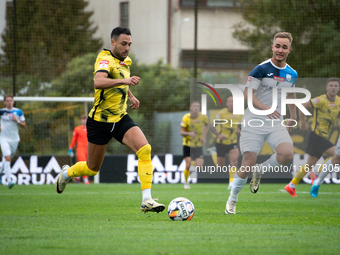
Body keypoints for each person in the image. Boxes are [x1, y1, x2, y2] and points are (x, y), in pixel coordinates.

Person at [55, 27, 165, 213]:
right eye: (123, 44)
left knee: (144, 149)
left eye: (129, 44)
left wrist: (130, 95)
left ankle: (147, 200)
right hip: (100, 122)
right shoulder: (104, 58)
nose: (127, 48)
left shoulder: (125, 61)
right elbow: (99, 81)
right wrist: (125, 82)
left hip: (120, 118)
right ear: (113, 42)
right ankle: (66, 174)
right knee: (92, 169)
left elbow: (121, 78)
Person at [225, 32, 298, 214]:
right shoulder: (261, 69)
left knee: (287, 154)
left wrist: (292, 117)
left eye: (284, 47)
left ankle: (261, 170)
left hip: (276, 122)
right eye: (277, 46)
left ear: (289, 50)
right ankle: (232, 200)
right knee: (247, 163)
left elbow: (291, 95)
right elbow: (247, 95)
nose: (280, 50)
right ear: (272, 47)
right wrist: (266, 108)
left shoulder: (292, 74)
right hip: (254, 122)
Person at [285, 78, 340, 197]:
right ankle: (316, 174)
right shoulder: (320, 100)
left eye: (336, 86)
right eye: (331, 85)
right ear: (327, 88)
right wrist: (303, 123)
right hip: (316, 136)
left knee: (309, 164)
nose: (333, 88)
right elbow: (302, 106)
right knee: (337, 155)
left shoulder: (338, 101)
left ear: (338, 88)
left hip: (322, 137)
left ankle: (292, 185)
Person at [209, 96, 242, 189]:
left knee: (234, 162)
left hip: (233, 142)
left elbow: (236, 126)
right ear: (227, 103)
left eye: (234, 101)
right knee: (220, 166)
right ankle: (213, 153)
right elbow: (212, 126)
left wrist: (238, 131)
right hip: (221, 142)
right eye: (230, 101)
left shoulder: (239, 114)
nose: (232, 103)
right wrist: (218, 135)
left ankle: (231, 183)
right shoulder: (222, 113)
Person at [180, 101, 209, 189]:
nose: (196, 108)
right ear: (190, 108)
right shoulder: (186, 117)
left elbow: (207, 126)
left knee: (199, 165)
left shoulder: (203, 117)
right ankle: (186, 182)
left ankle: (191, 165)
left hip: (198, 145)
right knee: (188, 164)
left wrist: (204, 136)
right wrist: (189, 133)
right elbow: (181, 132)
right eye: (194, 106)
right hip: (187, 144)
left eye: (198, 106)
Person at [0, 95, 26, 188]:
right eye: (7, 100)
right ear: (4, 102)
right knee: (7, 158)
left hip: (15, 139)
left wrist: (17, 120)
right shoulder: (1, 111)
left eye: (11, 100)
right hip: (3, 139)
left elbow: (24, 125)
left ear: (13, 102)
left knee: (7, 159)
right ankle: (9, 181)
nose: (9, 102)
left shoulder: (18, 111)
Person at [69, 115, 89, 185]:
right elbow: (74, 140)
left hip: (88, 149)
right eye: (83, 119)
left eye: (85, 119)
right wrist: (70, 149)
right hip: (80, 149)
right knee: (83, 163)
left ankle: (77, 176)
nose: (84, 121)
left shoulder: (90, 128)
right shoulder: (77, 129)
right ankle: (85, 179)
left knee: (88, 165)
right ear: (81, 120)